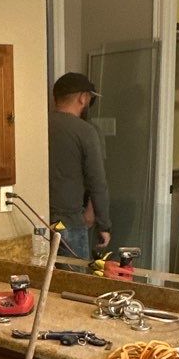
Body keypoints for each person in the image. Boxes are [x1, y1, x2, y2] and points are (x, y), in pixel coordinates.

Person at [48, 71, 112, 262]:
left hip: (40, 221)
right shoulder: (86, 131)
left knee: (43, 276)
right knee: (74, 277)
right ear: (83, 98)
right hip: (70, 222)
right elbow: (97, 182)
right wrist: (104, 225)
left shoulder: (38, 126)